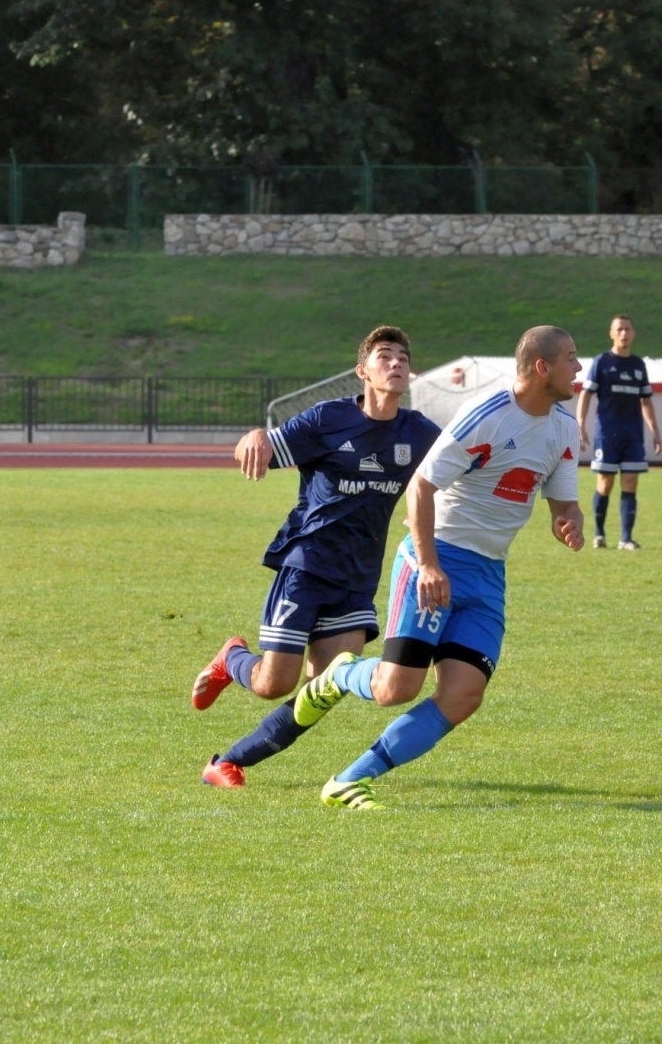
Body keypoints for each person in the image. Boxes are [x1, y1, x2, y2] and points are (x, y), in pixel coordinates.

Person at [285, 325, 585, 810]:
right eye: (572, 357)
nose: (579, 367)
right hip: (437, 558)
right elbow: (420, 487)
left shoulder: (564, 428)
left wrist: (568, 522)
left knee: (464, 695)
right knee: (394, 689)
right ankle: (341, 674)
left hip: (489, 575)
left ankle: (349, 781)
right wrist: (428, 565)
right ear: (541, 367)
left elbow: (563, 504)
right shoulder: (486, 416)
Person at [191, 326, 441, 789]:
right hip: (306, 566)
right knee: (273, 684)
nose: (396, 362)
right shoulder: (329, 419)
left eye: (403, 356)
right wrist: (252, 436)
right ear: (362, 371)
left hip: (357, 579)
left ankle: (228, 762)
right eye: (384, 355)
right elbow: (265, 445)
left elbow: (465, 465)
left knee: (323, 689)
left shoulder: (421, 433)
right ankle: (233, 659)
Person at [575, 314, 662, 550]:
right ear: (611, 333)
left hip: (633, 435)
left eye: (628, 329)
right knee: (605, 484)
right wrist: (580, 424)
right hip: (607, 434)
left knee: (631, 482)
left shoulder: (638, 365)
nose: (624, 333)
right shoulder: (602, 362)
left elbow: (646, 400)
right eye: (619, 329)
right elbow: (586, 394)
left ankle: (626, 538)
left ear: (633, 334)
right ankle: (599, 533)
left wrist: (655, 430)